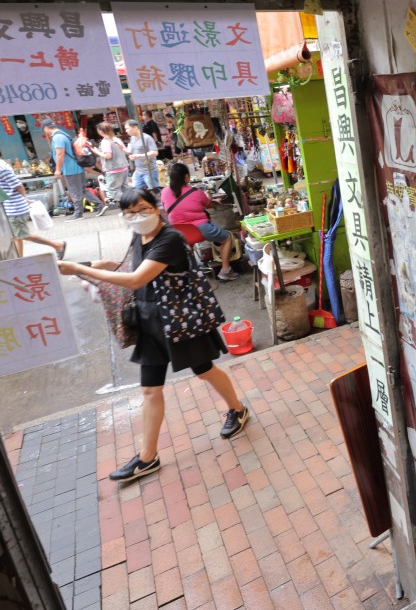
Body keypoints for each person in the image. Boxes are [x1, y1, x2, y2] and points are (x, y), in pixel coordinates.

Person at [58, 188, 249, 482]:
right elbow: (127, 266)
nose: (138, 217)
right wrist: (85, 266)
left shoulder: (170, 239)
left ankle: (237, 409)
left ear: (157, 208)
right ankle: (148, 457)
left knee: (205, 370)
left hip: (180, 320)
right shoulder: (140, 236)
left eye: (143, 209)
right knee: (150, 389)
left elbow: (137, 278)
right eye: (130, 213)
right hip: (149, 322)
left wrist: (82, 270)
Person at [162, 162, 239, 281]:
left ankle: (191, 274)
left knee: (188, 245)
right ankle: (225, 270)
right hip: (200, 230)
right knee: (227, 238)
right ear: (186, 177)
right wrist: (213, 200)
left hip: (178, 232)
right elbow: (209, 204)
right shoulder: (196, 192)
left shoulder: (164, 192)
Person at [0, 157, 68, 258]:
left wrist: (24, 199)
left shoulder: (1, 169)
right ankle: (19, 260)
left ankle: (58, 245)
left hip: (14, 208)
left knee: (21, 235)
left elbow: (18, 185)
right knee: (17, 236)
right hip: (10, 207)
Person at [41, 118, 85, 221]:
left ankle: (78, 213)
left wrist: (58, 170)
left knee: (74, 191)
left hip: (70, 168)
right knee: (82, 190)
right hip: (76, 166)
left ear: (46, 128)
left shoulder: (57, 137)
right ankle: (100, 205)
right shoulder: (63, 134)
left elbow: (60, 154)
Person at [97, 122, 131, 206]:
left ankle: (131, 203)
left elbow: (108, 156)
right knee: (125, 188)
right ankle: (130, 205)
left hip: (113, 169)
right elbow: (125, 150)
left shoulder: (105, 142)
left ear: (100, 131)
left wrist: (97, 152)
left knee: (113, 190)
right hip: (124, 167)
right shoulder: (116, 139)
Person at [125, 119, 160, 191]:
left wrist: (138, 156)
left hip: (149, 171)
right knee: (137, 193)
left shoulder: (147, 138)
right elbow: (130, 151)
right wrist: (121, 148)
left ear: (135, 127)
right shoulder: (132, 138)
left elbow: (155, 152)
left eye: (127, 128)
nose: (126, 131)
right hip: (138, 171)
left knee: (155, 192)